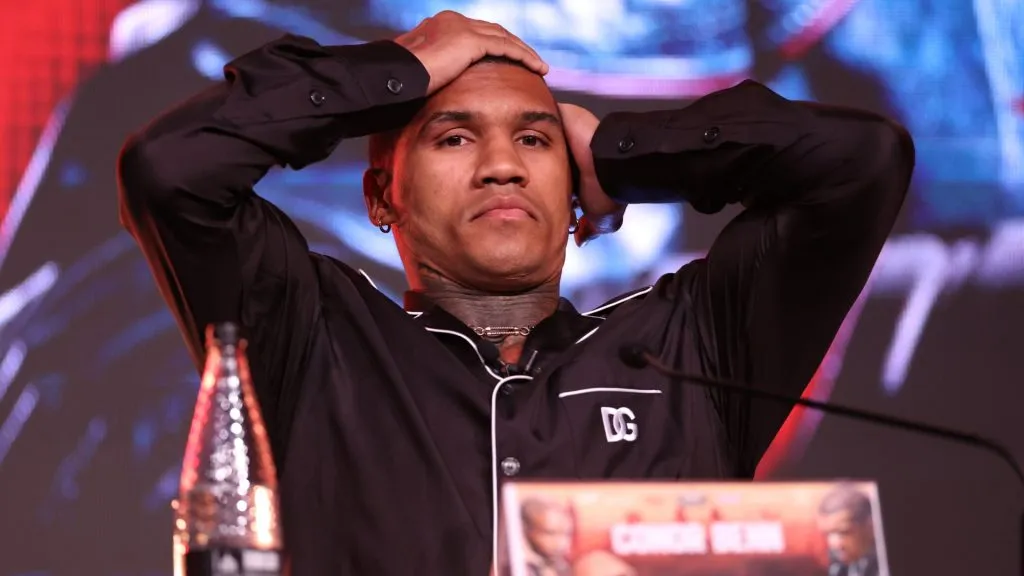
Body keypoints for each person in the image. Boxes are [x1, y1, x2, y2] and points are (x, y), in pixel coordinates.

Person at [117, 9, 914, 575]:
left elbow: (859, 162)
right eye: (454, 136)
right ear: (381, 197)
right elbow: (173, 170)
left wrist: (624, 152)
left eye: (534, 139)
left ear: (569, 191)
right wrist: (398, 68)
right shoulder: (316, 337)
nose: (503, 165)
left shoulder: (689, 349)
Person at [817, 485, 880, 576]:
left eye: (844, 532)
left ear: (870, 527)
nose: (834, 543)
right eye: (827, 534)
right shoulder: (837, 566)